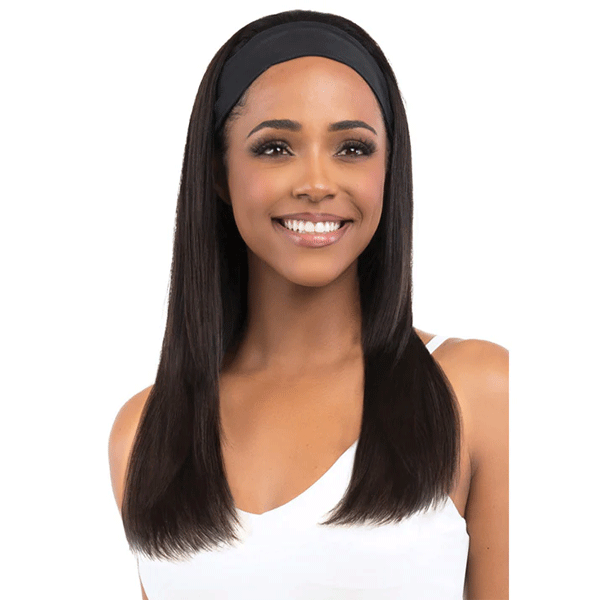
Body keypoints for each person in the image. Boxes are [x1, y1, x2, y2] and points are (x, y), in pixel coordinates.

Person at [108, 9, 508, 599]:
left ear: (389, 169)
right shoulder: (144, 433)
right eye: (275, 148)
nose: (317, 183)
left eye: (352, 148)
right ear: (219, 172)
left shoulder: (478, 393)